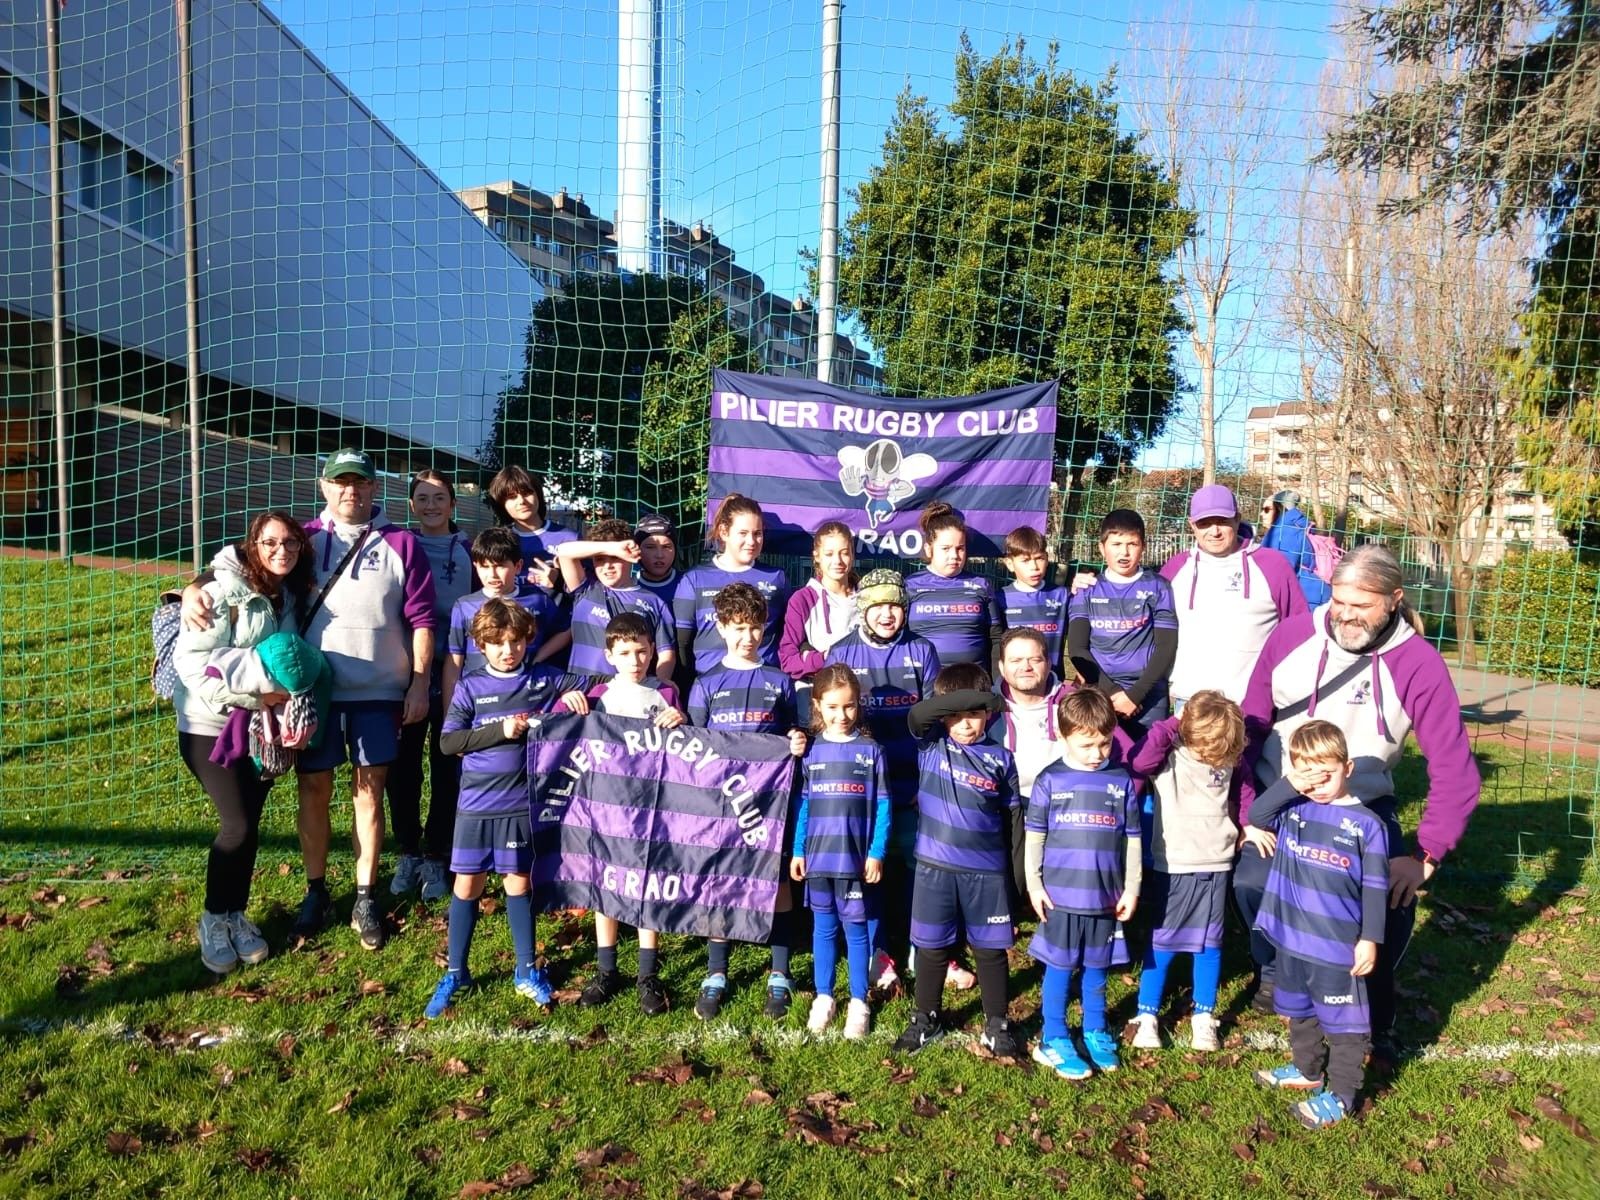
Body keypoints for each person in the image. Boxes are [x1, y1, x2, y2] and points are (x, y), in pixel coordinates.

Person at [182, 449, 437, 952]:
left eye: (361, 483)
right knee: (313, 792)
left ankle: (365, 896)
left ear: (374, 488)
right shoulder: (300, 540)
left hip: (378, 694)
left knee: (369, 794)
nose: (352, 491)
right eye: (341, 483)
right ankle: (316, 891)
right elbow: (238, 563)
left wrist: (419, 684)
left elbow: (424, 621)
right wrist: (193, 587)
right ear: (324, 488)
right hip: (312, 696)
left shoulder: (403, 543)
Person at [1234, 543, 1479, 1059]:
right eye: (1339, 600)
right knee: (1253, 880)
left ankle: (1371, 1005)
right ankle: (1277, 968)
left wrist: (1425, 855)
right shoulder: (1294, 634)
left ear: (1394, 599)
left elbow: (1454, 767)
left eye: (1361, 605)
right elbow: (1251, 723)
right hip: (1286, 798)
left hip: (1360, 805)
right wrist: (1249, 806)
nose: (1345, 614)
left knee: (1390, 897)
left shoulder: (1418, 662)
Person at [426, 600, 593, 1018]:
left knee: (518, 883)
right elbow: (449, 743)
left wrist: (575, 693)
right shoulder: (469, 687)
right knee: (468, 886)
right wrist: (500, 730)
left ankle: (525, 970)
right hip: (476, 805)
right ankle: (457, 971)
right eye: (497, 643)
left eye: (515, 642)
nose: (507, 650)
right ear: (481, 645)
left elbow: (599, 682)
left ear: (527, 641)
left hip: (521, 804)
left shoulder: (543, 680)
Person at [173, 510, 315, 973]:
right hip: (210, 726)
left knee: (249, 824)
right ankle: (213, 919)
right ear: (253, 545)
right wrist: (253, 697)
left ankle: (236, 913)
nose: (282, 552)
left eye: (291, 544)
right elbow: (191, 667)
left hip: (262, 727)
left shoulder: (289, 595)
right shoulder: (216, 593)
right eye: (271, 543)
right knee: (235, 824)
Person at [1245, 721, 1389, 1128]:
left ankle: (1342, 1095)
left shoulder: (1367, 826)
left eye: (1326, 774)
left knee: (1345, 1026)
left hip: (1335, 947)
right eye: (1308, 775)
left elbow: (1376, 888)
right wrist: (1293, 784)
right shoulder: (1293, 808)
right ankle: (1308, 1071)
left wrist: (1370, 939)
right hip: (1290, 940)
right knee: (1299, 1011)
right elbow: (1258, 813)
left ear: (1349, 767)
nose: (1318, 784)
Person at [685, 582, 808, 1021]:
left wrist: (797, 740)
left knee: (776, 886)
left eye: (755, 627)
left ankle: (779, 971)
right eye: (738, 627)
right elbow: (694, 748)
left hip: (770, 806)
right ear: (720, 626)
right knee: (722, 883)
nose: (747, 637)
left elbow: (795, 733)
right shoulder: (706, 683)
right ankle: (716, 971)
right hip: (721, 807)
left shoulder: (780, 681)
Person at [894, 663, 1025, 1058]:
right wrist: (984, 699)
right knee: (932, 948)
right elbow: (918, 715)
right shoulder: (932, 745)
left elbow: (1013, 820)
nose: (966, 723)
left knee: (988, 951)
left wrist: (1015, 880)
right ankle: (925, 1019)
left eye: (976, 713)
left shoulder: (1001, 758)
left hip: (986, 874)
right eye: (956, 714)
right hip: (935, 870)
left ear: (988, 714)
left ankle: (997, 1023)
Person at [562, 612, 684, 1016]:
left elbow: (686, 749)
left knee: (647, 882)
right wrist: (568, 705)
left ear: (653, 652)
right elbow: (560, 731)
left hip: (653, 805)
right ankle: (606, 968)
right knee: (607, 883)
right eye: (626, 653)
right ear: (610, 655)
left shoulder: (665, 693)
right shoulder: (597, 696)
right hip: (606, 807)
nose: (635, 660)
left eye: (642, 651)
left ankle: (647, 974)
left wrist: (679, 721)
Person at [824, 569, 941, 987]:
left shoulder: (923, 651)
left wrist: (923, 783)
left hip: (910, 785)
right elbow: (830, 727)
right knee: (865, 868)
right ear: (863, 611)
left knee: (914, 865)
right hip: (861, 788)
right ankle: (876, 949)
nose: (887, 615)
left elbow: (934, 723)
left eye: (895, 606)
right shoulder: (841, 654)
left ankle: (917, 945)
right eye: (878, 607)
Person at [1026, 688, 1142, 1081]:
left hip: (1105, 899)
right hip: (1060, 898)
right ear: (1063, 736)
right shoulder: (1050, 781)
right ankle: (1053, 1037)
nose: (1097, 753)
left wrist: (1131, 888)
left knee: (1097, 969)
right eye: (1087, 744)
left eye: (1104, 743)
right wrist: (1034, 885)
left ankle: (1094, 1030)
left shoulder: (1120, 780)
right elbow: (1036, 838)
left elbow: (1133, 839)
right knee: (1060, 968)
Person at [1125, 690, 1247, 1054]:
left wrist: (1247, 826)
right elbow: (1138, 762)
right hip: (1174, 863)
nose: (1214, 758)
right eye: (1206, 748)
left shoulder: (1229, 756)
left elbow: (1244, 793)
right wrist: (1176, 722)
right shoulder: (1169, 755)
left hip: (1216, 863)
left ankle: (1203, 1017)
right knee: (1161, 942)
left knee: (1210, 943)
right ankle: (1146, 1015)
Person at [390, 470, 477, 903]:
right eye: (422, 498)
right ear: (411, 505)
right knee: (402, 765)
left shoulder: (469, 550)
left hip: (455, 674)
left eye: (439, 498)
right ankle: (407, 849)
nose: (431, 506)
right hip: (405, 673)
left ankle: (436, 852)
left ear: (452, 505)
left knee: (447, 765)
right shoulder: (398, 546)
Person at [791, 664, 890, 1040]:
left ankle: (858, 1000)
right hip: (819, 859)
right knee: (823, 927)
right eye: (832, 707)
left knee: (856, 928)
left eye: (848, 707)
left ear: (858, 705)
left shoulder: (871, 752)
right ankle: (824, 996)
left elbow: (883, 806)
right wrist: (799, 850)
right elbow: (803, 804)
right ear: (817, 706)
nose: (841, 715)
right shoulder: (811, 752)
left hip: (854, 859)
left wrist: (876, 852)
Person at [1160, 485, 1305, 709]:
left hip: (1251, 704)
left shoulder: (1273, 566)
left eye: (1222, 521)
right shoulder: (1176, 568)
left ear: (1237, 519)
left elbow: (1298, 632)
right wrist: (1086, 585)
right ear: (1192, 525)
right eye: (1204, 523)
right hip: (1188, 702)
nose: (1214, 531)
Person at [1067, 509, 1178, 732]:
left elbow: (1166, 647)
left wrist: (1134, 696)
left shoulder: (1159, 587)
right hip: (1100, 691)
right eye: (1116, 544)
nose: (1124, 552)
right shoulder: (1086, 589)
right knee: (1099, 759)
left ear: (1143, 546)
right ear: (1102, 548)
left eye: (1132, 544)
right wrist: (1113, 692)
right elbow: (1077, 649)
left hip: (1148, 695)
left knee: (1148, 763)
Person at [442, 528, 568, 710]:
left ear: (517, 566)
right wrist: (449, 710)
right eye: (485, 566)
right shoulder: (464, 606)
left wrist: (539, 657)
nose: (492, 574)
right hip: (480, 701)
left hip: (526, 698)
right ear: (476, 565)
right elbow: (454, 661)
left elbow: (566, 631)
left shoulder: (539, 599)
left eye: (500, 566)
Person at [674, 494, 789, 683]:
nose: (752, 541)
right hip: (710, 688)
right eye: (743, 533)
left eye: (757, 533)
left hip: (762, 688)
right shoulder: (694, 580)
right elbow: (682, 646)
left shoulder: (777, 578)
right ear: (724, 532)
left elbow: (787, 638)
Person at [553, 518, 676, 682]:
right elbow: (563, 551)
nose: (607, 566)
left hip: (627, 696)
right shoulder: (584, 590)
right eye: (600, 559)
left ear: (631, 556)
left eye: (615, 558)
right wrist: (614, 548)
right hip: (582, 693)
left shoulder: (653, 602)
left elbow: (666, 654)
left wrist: (660, 688)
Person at [905, 501, 1001, 668]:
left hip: (974, 683)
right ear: (929, 549)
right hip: (927, 684)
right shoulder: (910, 585)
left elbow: (996, 638)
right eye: (946, 548)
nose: (954, 555)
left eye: (960, 548)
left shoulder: (981, 585)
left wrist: (997, 683)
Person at [779, 519, 859, 683]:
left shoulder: (867, 597)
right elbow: (787, 661)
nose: (837, 561)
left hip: (863, 690)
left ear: (852, 554)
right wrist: (823, 658)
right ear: (817, 556)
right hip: (817, 690)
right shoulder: (802, 600)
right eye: (829, 554)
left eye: (844, 552)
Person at [483, 465, 570, 590]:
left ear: (538, 494)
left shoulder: (568, 538)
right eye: (512, 497)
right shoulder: (496, 542)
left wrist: (559, 581)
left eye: (527, 493)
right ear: (502, 504)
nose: (522, 501)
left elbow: (586, 590)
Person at [999, 525, 1069, 677]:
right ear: (1010, 564)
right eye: (1025, 560)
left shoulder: (1062, 595)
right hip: (1016, 681)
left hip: (1054, 681)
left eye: (1039, 558)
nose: (1034, 567)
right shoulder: (1001, 599)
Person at [1260, 490, 1332, 607]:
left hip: (1306, 601)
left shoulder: (1285, 531)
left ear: (1280, 508)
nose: (1262, 514)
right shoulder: (1293, 527)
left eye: (1267, 510)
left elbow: (1279, 575)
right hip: (1312, 595)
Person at [632, 512, 680, 609]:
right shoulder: (628, 587)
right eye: (650, 547)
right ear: (637, 549)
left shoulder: (690, 584)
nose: (659, 555)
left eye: (666, 547)